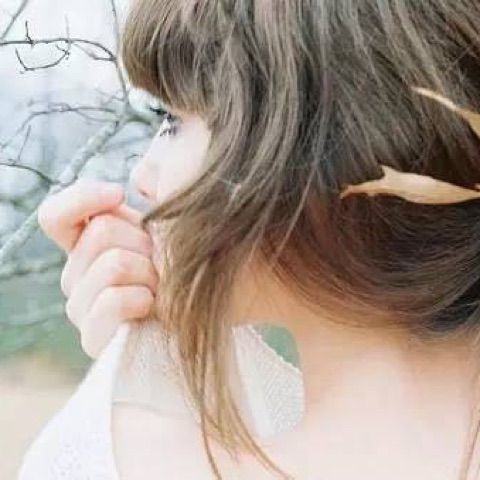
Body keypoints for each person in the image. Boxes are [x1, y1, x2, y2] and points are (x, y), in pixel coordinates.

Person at [17, 1, 480, 478]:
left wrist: (145, 389)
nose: (143, 177)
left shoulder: (143, 462)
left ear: (322, 151)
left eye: (173, 121)